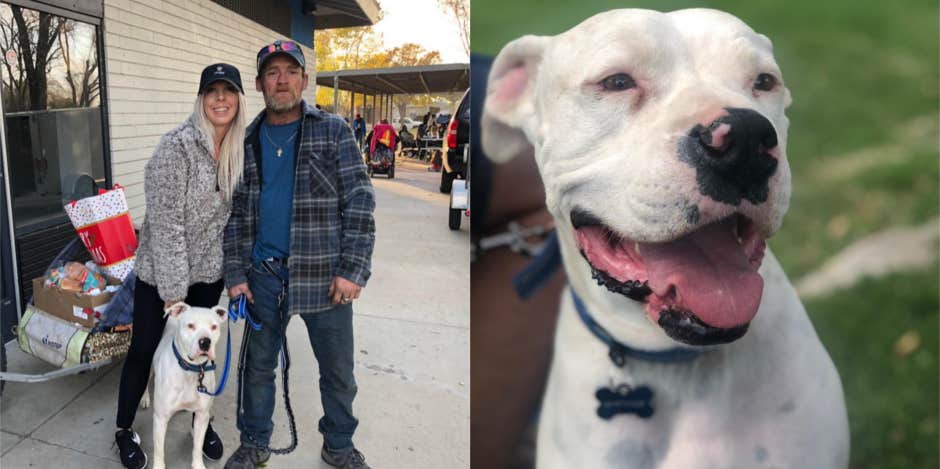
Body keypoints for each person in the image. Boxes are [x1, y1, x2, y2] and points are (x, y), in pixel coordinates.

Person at [222, 39, 376, 469]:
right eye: (273, 72)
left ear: (304, 81)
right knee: (257, 368)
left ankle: (339, 445)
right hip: (263, 278)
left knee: (338, 372)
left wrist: (353, 269)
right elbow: (233, 217)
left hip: (324, 277)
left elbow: (360, 200)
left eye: (291, 70)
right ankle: (255, 442)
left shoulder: (334, 131)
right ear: (259, 84)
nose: (282, 79)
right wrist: (236, 275)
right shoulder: (246, 141)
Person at [114, 63, 248, 469]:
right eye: (212, 91)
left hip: (208, 273)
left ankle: (199, 422)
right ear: (201, 99)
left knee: (200, 350)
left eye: (228, 91)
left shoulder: (242, 150)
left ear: (239, 100)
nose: (220, 98)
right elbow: (166, 221)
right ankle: (123, 429)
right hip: (161, 273)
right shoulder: (176, 147)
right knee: (144, 350)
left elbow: (238, 219)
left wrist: (236, 275)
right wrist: (174, 292)